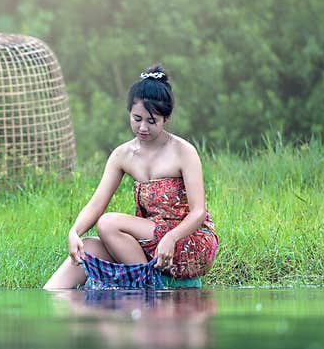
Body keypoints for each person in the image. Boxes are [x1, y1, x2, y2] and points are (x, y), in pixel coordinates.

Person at [43, 64, 217, 290]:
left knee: (107, 223)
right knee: (84, 248)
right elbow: (97, 202)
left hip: (186, 241)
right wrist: (74, 232)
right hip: (145, 243)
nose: (142, 127)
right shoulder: (122, 155)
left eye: (151, 121)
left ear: (166, 119)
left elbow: (198, 212)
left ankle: (149, 286)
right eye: (137, 118)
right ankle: (51, 305)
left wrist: (171, 237)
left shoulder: (183, 152)